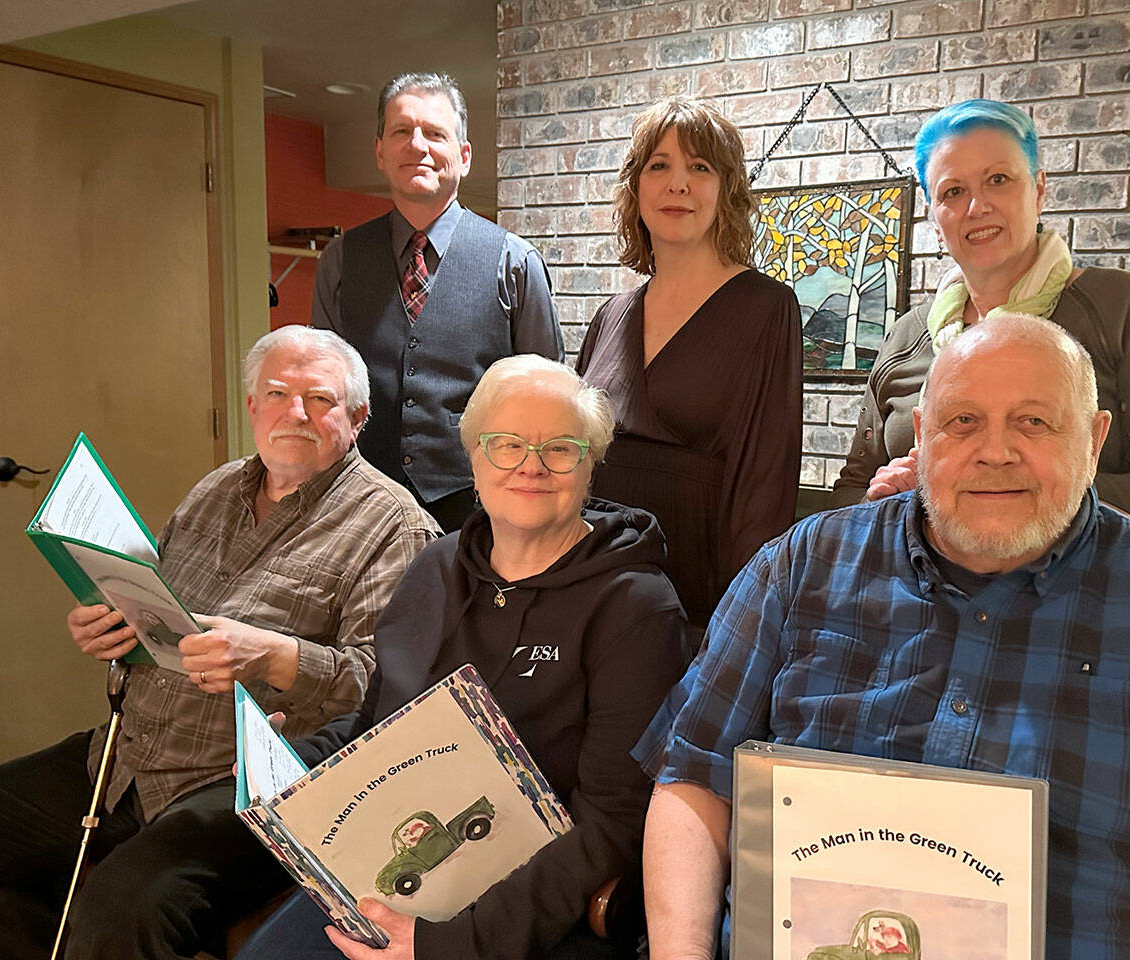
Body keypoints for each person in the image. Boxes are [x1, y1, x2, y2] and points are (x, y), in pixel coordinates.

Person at [638, 313, 1130, 960]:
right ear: (923, 435)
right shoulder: (798, 569)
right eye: (963, 421)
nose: (995, 452)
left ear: (1094, 442)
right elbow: (691, 783)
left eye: (1034, 422)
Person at [0, 326, 440, 960]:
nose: (295, 413)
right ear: (251, 407)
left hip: (246, 785)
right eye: (276, 392)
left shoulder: (396, 526)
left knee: (118, 913)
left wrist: (277, 657)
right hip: (123, 757)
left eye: (320, 399)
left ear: (358, 418)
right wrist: (110, 624)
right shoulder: (214, 489)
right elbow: (157, 611)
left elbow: (394, 698)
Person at [237, 355, 690, 960]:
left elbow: (612, 822)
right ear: (473, 458)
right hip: (391, 869)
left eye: (559, 448)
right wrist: (292, 769)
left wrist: (453, 945)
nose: (531, 465)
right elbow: (377, 725)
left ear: (589, 467)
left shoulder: (636, 607)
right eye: (505, 444)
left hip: (528, 911)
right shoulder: (433, 567)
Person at [828, 99, 1130, 533]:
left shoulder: (1118, 305)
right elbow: (849, 493)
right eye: (953, 191)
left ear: (1039, 190)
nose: (976, 207)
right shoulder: (905, 336)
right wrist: (884, 498)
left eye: (998, 180)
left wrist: (973, 484)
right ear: (933, 217)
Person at [576, 95, 802, 631]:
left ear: (725, 191)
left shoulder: (766, 308)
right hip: (596, 582)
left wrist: (742, 621)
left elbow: (765, 481)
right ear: (636, 189)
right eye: (660, 166)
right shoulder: (611, 315)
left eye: (699, 167)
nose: (678, 184)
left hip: (699, 593)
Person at [312, 71, 564, 533]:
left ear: (464, 156)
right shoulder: (340, 261)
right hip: (361, 507)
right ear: (380, 151)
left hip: (482, 511)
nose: (418, 145)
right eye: (402, 131)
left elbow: (547, 400)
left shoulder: (514, 261)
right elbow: (323, 391)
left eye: (435, 133)